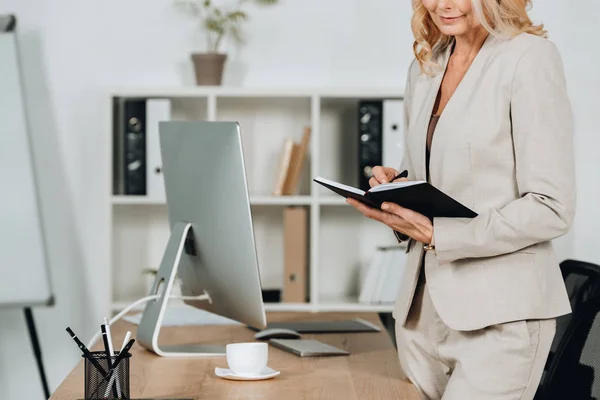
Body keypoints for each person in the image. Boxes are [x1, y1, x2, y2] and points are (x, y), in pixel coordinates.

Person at [346, 0, 575, 398]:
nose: (442, 4)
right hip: (420, 318)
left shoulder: (528, 58)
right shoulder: (427, 63)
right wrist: (394, 186)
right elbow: (431, 174)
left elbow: (551, 207)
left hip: (500, 322)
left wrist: (440, 234)